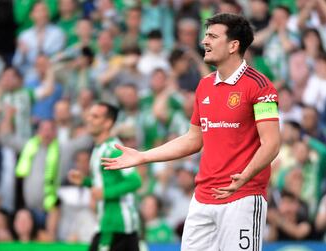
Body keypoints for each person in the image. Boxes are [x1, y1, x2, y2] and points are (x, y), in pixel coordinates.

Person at [102, 13, 281, 251]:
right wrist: (143, 156)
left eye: (212, 36)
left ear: (233, 45)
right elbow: (193, 140)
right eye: (206, 35)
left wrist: (246, 175)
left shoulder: (260, 86)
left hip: (242, 198)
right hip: (202, 200)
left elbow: (271, 143)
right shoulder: (205, 85)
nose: (204, 41)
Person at [68, 102, 142, 251]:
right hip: (109, 223)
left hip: (118, 224)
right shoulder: (98, 148)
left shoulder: (113, 150)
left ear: (108, 123)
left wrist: (105, 193)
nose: (89, 119)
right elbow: (105, 182)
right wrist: (86, 181)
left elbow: (134, 181)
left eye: (95, 117)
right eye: (89, 115)